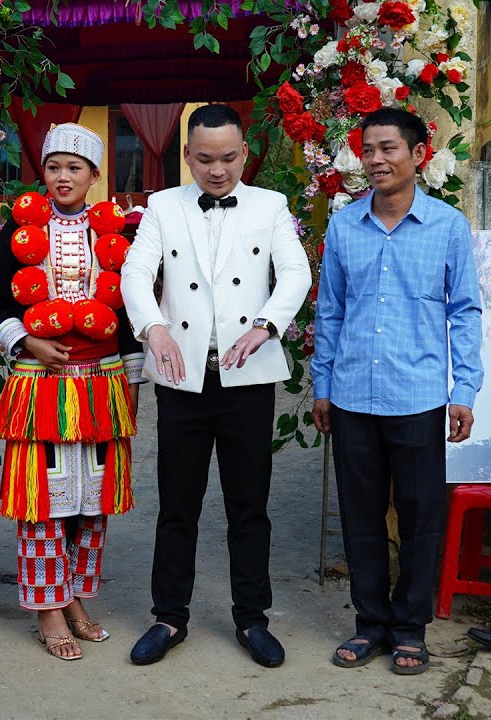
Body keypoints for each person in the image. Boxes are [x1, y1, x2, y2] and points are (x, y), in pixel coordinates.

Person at [119, 104, 311, 668]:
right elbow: (136, 271)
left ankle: (252, 618)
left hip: (246, 375)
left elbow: (295, 272)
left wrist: (267, 325)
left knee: (248, 504)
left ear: (245, 154)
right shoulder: (160, 205)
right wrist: (153, 326)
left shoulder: (271, 205)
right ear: (187, 156)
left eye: (228, 158)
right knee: (177, 504)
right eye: (204, 159)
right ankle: (168, 616)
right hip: (183, 377)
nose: (218, 170)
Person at [312, 107, 483, 675]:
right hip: (354, 394)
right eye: (368, 150)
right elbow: (330, 311)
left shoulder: (446, 227)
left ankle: (410, 629)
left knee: (419, 517)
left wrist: (464, 390)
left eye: (389, 148)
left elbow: (464, 312)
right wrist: (323, 384)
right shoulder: (344, 226)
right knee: (360, 516)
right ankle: (369, 626)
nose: (377, 159)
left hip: (418, 396)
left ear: (418, 155)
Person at [0, 123, 144, 661]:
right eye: (53, 167)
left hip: (101, 383)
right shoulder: (19, 230)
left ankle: (74, 597)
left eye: (75, 168)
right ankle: (47, 608)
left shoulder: (115, 234)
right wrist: (27, 340)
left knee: (91, 503)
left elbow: (125, 313)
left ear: (95, 176)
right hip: (39, 383)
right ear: (43, 174)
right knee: (43, 501)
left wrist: (133, 381)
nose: (63, 177)